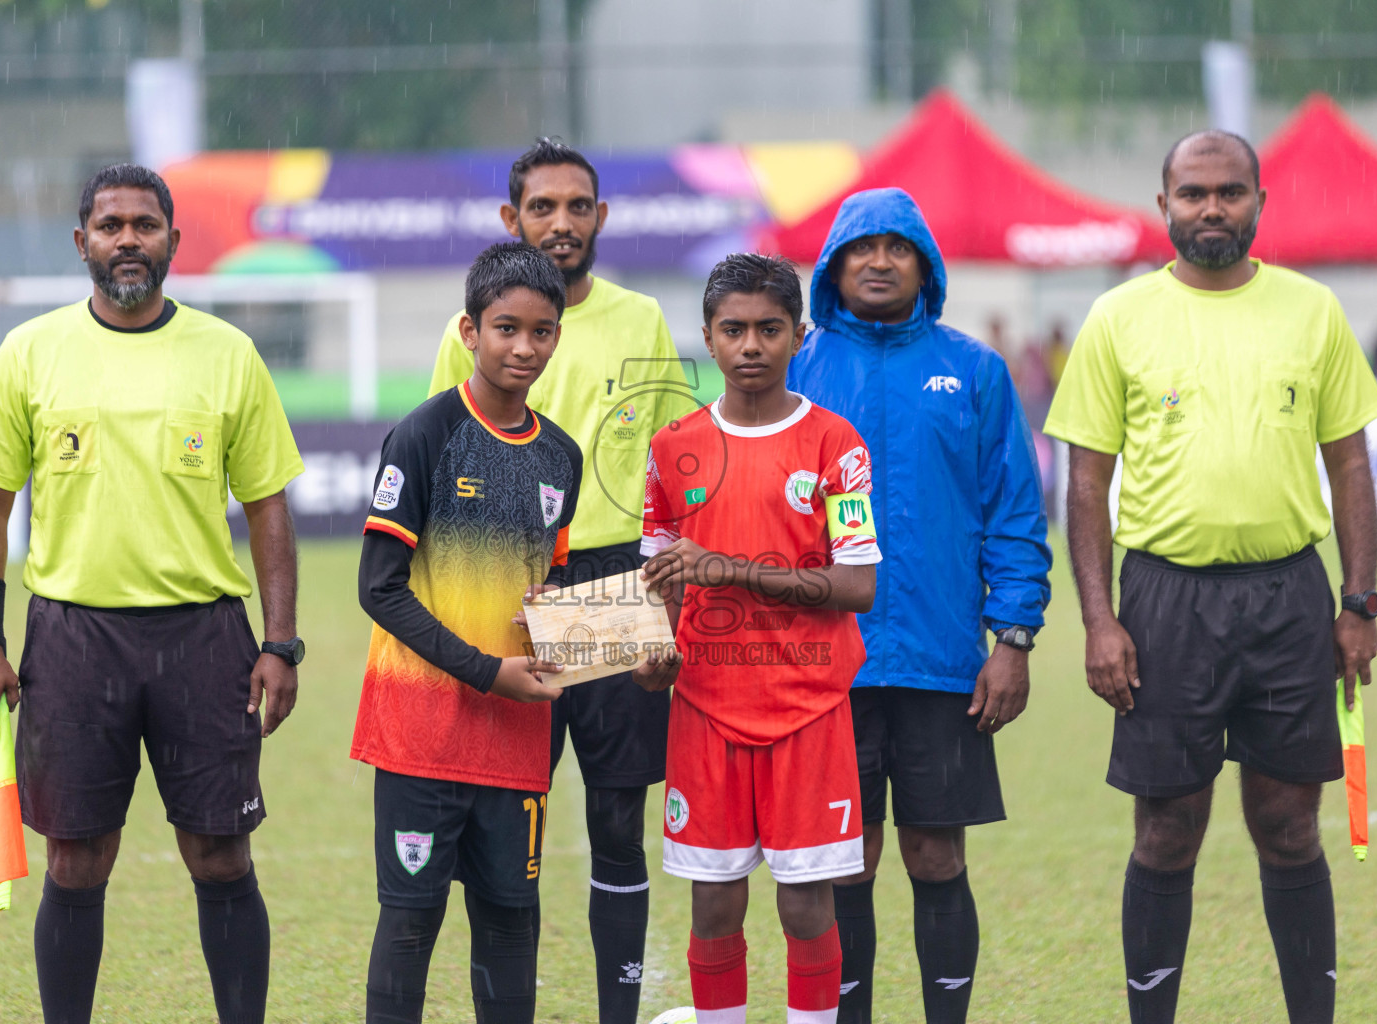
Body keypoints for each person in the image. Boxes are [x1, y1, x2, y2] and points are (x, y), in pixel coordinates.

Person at [1043, 130, 1377, 1024]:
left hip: (1289, 599)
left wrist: (1358, 602)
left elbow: (1350, 465)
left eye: (1230, 192)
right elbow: (1086, 481)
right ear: (1162, 206)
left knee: (1287, 826)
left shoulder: (1312, 312)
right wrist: (1099, 620)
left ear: (1260, 203)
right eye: (1193, 193)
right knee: (1165, 832)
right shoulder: (1119, 318)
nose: (1211, 209)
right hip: (1164, 604)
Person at [0, 163, 305, 1024]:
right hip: (72, 638)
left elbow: (268, 510)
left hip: (205, 638)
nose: (127, 240)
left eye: (144, 226)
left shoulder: (229, 355)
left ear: (173, 243)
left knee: (220, 853)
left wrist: (280, 642)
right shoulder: (29, 353)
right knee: (77, 859)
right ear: (82, 242)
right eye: (110, 226)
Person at [427, 137, 689, 1024]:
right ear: (512, 220)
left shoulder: (641, 319)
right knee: (506, 834)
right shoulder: (460, 331)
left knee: (617, 819)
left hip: (611, 585)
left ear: (602, 217)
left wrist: (664, 601)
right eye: (543, 207)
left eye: (579, 206)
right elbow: (439, 467)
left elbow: (671, 472)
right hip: (505, 589)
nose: (562, 223)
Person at [788, 188, 1051, 1024]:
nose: (877, 261)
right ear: (833, 265)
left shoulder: (973, 370)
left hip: (944, 664)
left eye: (897, 248)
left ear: (924, 265)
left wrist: (1013, 636)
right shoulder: (797, 365)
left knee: (936, 855)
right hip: (829, 667)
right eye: (860, 249)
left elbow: (1015, 512)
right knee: (846, 862)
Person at [640, 252, 882, 1024]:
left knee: (807, 907)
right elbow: (659, 594)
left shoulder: (835, 446)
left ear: (799, 337)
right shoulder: (671, 451)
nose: (751, 345)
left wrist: (728, 568)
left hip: (808, 711)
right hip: (707, 711)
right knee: (713, 906)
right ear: (707, 338)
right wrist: (648, 658)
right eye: (734, 329)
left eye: (769, 329)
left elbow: (857, 586)